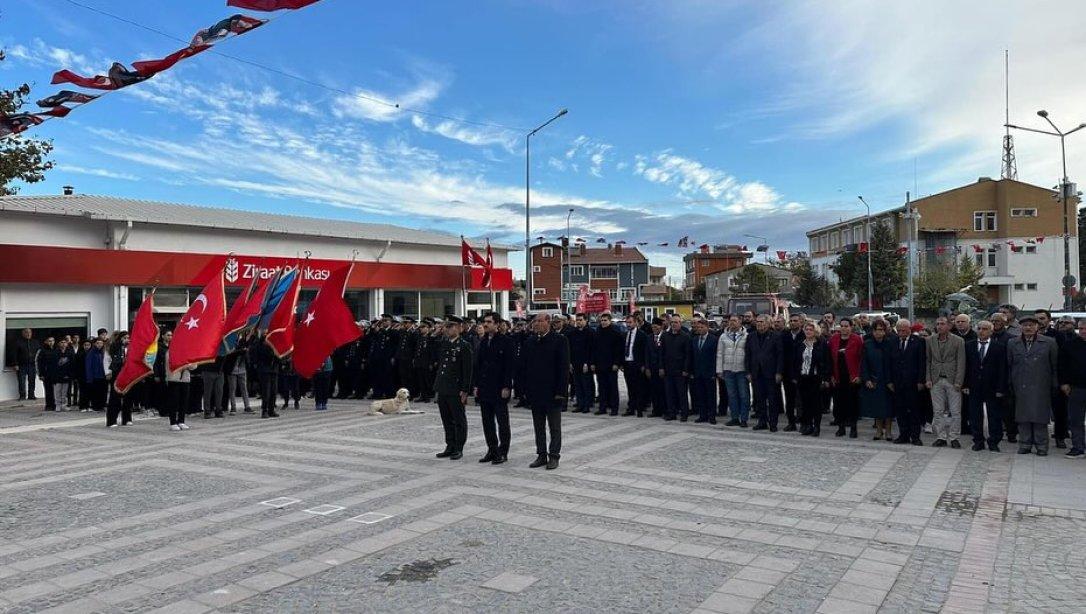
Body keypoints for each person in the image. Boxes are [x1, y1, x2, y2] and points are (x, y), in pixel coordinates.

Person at [522, 314, 570, 470]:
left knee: (554, 426)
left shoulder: (559, 340)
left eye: (539, 321)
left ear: (548, 323)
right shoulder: (530, 341)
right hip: (536, 391)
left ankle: (554, 455)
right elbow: (525, 367)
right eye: (534, 322)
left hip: (553, 391)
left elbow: (563, 368)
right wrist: (526, 390)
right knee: (538, 426)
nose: (536, 324)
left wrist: (561, 392)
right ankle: (541, 454)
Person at [1007, 314, 1058, 455]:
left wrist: (1055, 385)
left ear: (1037, 327)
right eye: (1025, 325)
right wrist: (1010, 383)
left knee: (1040, 417)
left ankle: (1041, 446)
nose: (1028, 328)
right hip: (1020, 385)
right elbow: (1009, 365)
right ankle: (1025, 444)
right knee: (1022, 417)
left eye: (1031, 325)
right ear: (1020, 327)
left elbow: (1054, 365)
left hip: (1041, 385)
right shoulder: (1012, 343)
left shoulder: (1049, 342)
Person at [474, 313, 513, 464]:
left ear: (497, 324)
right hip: (485, 387)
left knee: (502, 422)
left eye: (489, 322)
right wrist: (477, 385)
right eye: (484, 322)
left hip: (499, 387)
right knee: (487, 421)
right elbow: (479, 365)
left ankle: (503, 452)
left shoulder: (506, 341)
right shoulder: (483, 342)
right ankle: (492, 449)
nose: (485, 324)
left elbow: (509, 366)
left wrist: (507, 386)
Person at [963, 320, 1007, 452]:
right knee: (975, 415)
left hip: (992, 386)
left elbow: (1002, 369)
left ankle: (994, 441)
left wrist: (1001, 388)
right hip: (974, 385)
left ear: (991, 331)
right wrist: (965, 384)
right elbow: (965, 366)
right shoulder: (969, 346)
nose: (981, 331)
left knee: (994, 415)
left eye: (985, 329)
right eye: (979, 328)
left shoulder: (999, 347)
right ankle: (978, 440)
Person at [434, 316, 473, 461]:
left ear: (458, 328)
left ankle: (458, 447)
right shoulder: (444, 343)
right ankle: (449, 445)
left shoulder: (464, 345)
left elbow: (467, 370)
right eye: (447, 326)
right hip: (443, 386)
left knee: (458, 419)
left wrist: (465, 390)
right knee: (446, 418)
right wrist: (436, 332)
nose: (447, 329)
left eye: (451, 326)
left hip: (456, 388)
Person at [926, 316, 966, 448]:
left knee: (955, 411)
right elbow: (928, 360)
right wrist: (928, 378)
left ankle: (954, 437)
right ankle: (941, 437)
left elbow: (961, 362)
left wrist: (959, 381)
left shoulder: (958, 341)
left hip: (952, 379)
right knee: (938, 411)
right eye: (937, 324)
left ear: (949, 326)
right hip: (936, 379)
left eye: (942, 324)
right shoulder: (930, 340)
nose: (939, 326)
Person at [889, 319, 927, 445]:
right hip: (897, 382)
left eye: (904, 330)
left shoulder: (918, 341)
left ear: (909, 329)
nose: (901, 333)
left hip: (913, 382)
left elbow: (922, 362)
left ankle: (915, 436)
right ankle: (903, 434)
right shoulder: (893, 341)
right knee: (900, 410)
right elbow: (889, 362)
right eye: (899, 330)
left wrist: (921, 380)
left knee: (914, 410)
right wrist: (890, 381)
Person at [746, 315, 784, 431]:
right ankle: (762, 421)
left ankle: (773, 423)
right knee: (759, 399)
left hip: (771, 373)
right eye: (757, 322)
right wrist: (748, 372)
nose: (759, 324)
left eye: (762, 322)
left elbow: (780, 355)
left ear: (768, 324)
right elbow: (748, 355)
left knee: (772, 400)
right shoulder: (751, 336)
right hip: (756, 373)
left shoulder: (775, 336)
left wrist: (779, 372)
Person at [792, 321, 829, 436]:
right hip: (803, 377)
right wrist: (795, 376)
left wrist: (825, 378)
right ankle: (807, 425)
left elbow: (826, 362)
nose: (808, 331)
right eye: (806, 329)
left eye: (810, 329)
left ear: (815, 331)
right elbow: (795, 361)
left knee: (816, 404)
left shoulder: (821, 344)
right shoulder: (800, 344)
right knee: (805, 403)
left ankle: (816, 427)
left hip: (815, 378)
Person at [860, 320, 895, 440]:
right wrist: (867, 379)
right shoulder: (867, 344)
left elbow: (893, 363)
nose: (878, 332)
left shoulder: (891, 343)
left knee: (889, 407)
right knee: (877, 407)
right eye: (876, 330)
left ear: (885, 331)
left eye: (881, 330)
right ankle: (879, 430)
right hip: (874, 379)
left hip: (888, 380)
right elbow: (864, 363)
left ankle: (889, 431)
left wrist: (891, 380)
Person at [829, 318, 863, 438]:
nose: (844, 328)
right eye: (842, 326)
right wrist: (831, 375)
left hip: (852, 377)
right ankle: (841, 427)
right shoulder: (834, 339)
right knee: (839, 404)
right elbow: (829, 359)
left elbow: (861, 359)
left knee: (852, 404)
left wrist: (859, 375)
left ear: (851, 327)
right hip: (838, 376)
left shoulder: (857, 339)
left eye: (846, 326)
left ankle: (853, 428)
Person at [1059, 319, 1086, 458]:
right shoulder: (1070, 345)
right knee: (1075, 419)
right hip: (1077, 388)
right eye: (1081, 329)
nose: (1083, 331)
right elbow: (1062, 366)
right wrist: (1063, 383)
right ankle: (1078, 447)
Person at [717, 315, 750, 427]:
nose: (732, 323)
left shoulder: (746, 336)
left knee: (744, 395)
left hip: (742, 370)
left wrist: (749, 371)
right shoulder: (723, 336)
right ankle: (734, 418)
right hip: (728, 370)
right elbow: (719, 354)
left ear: (740, 322)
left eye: (735, 321)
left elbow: (750, 354)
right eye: (730, 321)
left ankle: (744, 419)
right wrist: (719, 370)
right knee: (732, 395)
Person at [590, 313, 623, 416]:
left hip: (611, 365)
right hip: (600, 365)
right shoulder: (597, 332)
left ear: (610, 321)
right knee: (602, 387)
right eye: (602, 320)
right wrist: (593, 363)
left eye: (605, 320)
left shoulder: (615, 333)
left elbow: (619, 350)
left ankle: (614, 408)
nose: (603, 322)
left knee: (613, 388)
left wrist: (617, 363)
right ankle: (602, 407)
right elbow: (594, 349)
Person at [660, 314, 692, 422]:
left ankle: (684, 414)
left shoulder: (685, 336)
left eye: (676, 322)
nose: (674, 324)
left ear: (680, 323)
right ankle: (671, 413)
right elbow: (661, 353)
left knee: (681, 394)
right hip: (668, 370)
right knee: (669, 393)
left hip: (680, 371)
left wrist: (685, 370)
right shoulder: (665, 336)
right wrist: (661, 367)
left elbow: (688, 355)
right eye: (672, 322)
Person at [689, 318, 718, 424]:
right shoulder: (694, 340)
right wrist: (692, 371)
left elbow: (716, 357)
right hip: (697, 372)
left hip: (709, 372)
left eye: (702, 327)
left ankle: (712, 416)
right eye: (698, 327)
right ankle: (703, 415)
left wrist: (714, 372)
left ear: (707, 327)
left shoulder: (714, 339)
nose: (700, 329)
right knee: (700, 395)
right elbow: (692, 357)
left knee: (711, 395)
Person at [622, 314, 650, 417]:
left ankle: (639, 408)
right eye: (627, 322)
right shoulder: (625, 334)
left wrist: (644, 365)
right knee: (630, 388)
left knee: (639, 388)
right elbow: (623, 349)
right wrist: (622, 363)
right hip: (627, 364)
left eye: (630, 322)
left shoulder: (642, 335)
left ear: (635, 323)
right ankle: (631, 408)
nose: (628, 325)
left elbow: (645, 351)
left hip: (637, 365)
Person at [780, 314, 804, 431]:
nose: (793, 323)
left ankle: (804, 421)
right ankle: (791, 422)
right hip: (787, 372)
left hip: (802, 373)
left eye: (796, 321)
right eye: (791, 321)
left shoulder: (805, 335)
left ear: (801, 322)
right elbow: (780, 354)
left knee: (802, 399)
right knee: (789, 399)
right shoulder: (784, 335)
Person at [567, 313, 595, 414]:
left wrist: (588, 363)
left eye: (580, 320)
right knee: (577, 385)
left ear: (585, 320)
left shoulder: (590, 332)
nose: (578, 322)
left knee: (586, 385)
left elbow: (591, 349)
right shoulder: (572, 333)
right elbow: (570, 348)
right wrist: (570, 362)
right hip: (575, 363)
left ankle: (587, 405)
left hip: (585, 363)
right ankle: (580, 404)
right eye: (577, 320)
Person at [105, 332, 132, 428]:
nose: (127, 339)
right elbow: (108, 358)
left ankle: (127, 418)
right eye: (124, 337)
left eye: (128, 337)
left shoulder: (130, 348)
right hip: (116, 373)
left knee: (128, 397)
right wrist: (107, 372)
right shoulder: (114, 347)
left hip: (127, 374)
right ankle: (112, 420)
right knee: (115, 397)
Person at [251, 335, 280, 419]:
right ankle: (264, 410)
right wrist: (273, 351)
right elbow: (263, 357)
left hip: (274, 370)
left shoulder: (274, 347)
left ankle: (271, 410)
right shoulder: (261, 347)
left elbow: (278, 358)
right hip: (264, 370)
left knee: (273, 391)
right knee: (266, 391)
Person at [644, 316, 667, 418]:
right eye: (653, 327)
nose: (655, 329)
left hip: (662, 368)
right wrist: (647, 367)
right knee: (654, 390)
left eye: (657, 327)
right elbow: (647, 353)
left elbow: (665, 354)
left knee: (663, 391)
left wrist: (662, 367)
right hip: (652, 368)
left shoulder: (666, 337)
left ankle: (665, 410)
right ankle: (656, 410)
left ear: (661, 327)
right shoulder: (649, 337)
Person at [165, 343, 192, 431]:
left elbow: (194, 365)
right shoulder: (170, 352)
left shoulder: (188, 352)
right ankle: (173, 422)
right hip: (174, 378)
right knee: (174, 401)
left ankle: (181, 421)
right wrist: (186, 364)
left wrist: (187, 365)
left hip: (185, 379)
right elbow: (172, 363)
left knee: (183, 401)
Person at [10, 328, 40, 401]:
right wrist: (15, 364)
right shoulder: (18, 342)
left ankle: (31, 395)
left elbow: (39, 354)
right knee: (21, 381)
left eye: (29, 332)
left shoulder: (35, 342)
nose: (28, 334)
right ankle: (22, 396)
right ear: (23, 333)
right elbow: (14, 354)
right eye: (26, 332)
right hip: (21, 365)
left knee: (32, 381)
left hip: (32, 365)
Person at [36, 336, 58, 411]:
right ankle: (49, 405)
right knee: (48, 390)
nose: (51, 342)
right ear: (46, 342)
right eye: (49, 341)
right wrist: (40, 374)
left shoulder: (57, 350)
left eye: (52, 341)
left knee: (56, 390)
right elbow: (38, 362)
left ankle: (56, 404)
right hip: (46, 374)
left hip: (55, 373)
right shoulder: (42, 350)